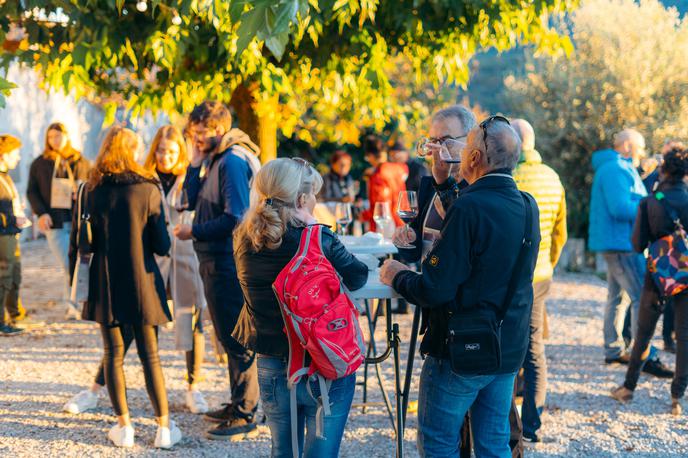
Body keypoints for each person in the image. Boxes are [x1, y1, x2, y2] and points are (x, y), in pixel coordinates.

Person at [380, 116, 541, 457]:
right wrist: (442, 186)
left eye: (465, 146)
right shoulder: (527, 205)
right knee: (494, 443)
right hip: (507, 345)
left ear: (474, 158)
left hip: (461, 347)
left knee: (439, 442)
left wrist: (396, 274)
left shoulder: (470, 207)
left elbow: (434, 289)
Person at [62, 125, 209, 416]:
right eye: (160, 150)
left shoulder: (190, 179)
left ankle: (193, 387)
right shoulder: (144, 180)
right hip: (149, 261)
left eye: (171, 151)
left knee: (189, 320)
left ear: (180, 151)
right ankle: (97, 389)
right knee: (129, 329)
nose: (165, 156)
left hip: (182, 257)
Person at [233, 157, 368, 456]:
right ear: (302, 198)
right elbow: (358, 276)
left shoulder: (242, 237)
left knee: (282, 451)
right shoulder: (318, 237)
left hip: (270, 362)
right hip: (323, 360)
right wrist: (316, 228)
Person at [69, 126, 180, 448]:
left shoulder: (90, 189)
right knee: (151, 357)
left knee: (113, 355)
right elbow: (161, 245)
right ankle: (163, 429)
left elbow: (82, 242)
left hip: (105, 283)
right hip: (143, 281)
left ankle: (125, 427)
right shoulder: (148, 189)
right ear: (133, 151)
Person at [174, 101, 259, 440]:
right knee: (226, 334)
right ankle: (238, 402)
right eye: (192, 132)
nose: (195, 138)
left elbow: (236, 217)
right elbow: (187, 200)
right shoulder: (212, 159)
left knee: (237, 338)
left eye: (201, 133)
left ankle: (246, 412)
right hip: (212, 260)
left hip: (228, 260)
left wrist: (193, 231)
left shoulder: (232, 162)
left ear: (219, 130)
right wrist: (194, 164)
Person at [588, 129, 672, 377]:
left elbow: (636, 195)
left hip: (617, 241)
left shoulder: (620, 168)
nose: (643, 151)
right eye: (641, 146)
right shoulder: (615, 169)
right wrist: (649, 204)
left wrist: (651, 192)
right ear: (626, 146)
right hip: (622, 243)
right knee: (640, 298)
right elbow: (620, 207)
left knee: (618, 298)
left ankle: (614, 350)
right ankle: (645, 355)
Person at [611, 147, 688, 415]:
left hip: (657, 276)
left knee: (643, 332)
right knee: (685, 335)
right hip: (686, 275)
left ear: (663, 169)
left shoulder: (651, 200)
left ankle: (628, 388)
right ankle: (677, 397)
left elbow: (636, 244)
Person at [511, 119, 567, 443]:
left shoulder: (507, 177)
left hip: (511, 275)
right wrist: (549, 262)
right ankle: (532, 424)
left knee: (506, 347)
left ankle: (507, 425)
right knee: (534, 349)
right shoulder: (553, 177)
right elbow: (561, 231)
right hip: (541, 273)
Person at [27, 122, 90, 319]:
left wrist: (80, 193)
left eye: (59, 136)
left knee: (81, 262)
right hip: (54, 222)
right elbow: (32, 191)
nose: (55, 140)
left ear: (67, 136)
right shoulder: (40, 163)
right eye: (51, 136)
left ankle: (77, 304)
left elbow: (91, 187)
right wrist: (41, 213)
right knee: (68, 263)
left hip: (78, 220)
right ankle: (73, 305)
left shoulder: (80, 161)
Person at [0, 134, 27, 335]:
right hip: (3, 235)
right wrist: (11, 219)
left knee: (13, 275)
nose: (18, 158)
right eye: (15, 153)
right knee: (4, 277)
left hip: (11, 233)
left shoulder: (5, 176)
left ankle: (13, 315)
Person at [360, 135, 408, 231]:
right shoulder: (399, 168)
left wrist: (363, 216)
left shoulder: (377, 176)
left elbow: (380, 206)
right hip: (402, 220)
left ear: (370, 156)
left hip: (385, 224)